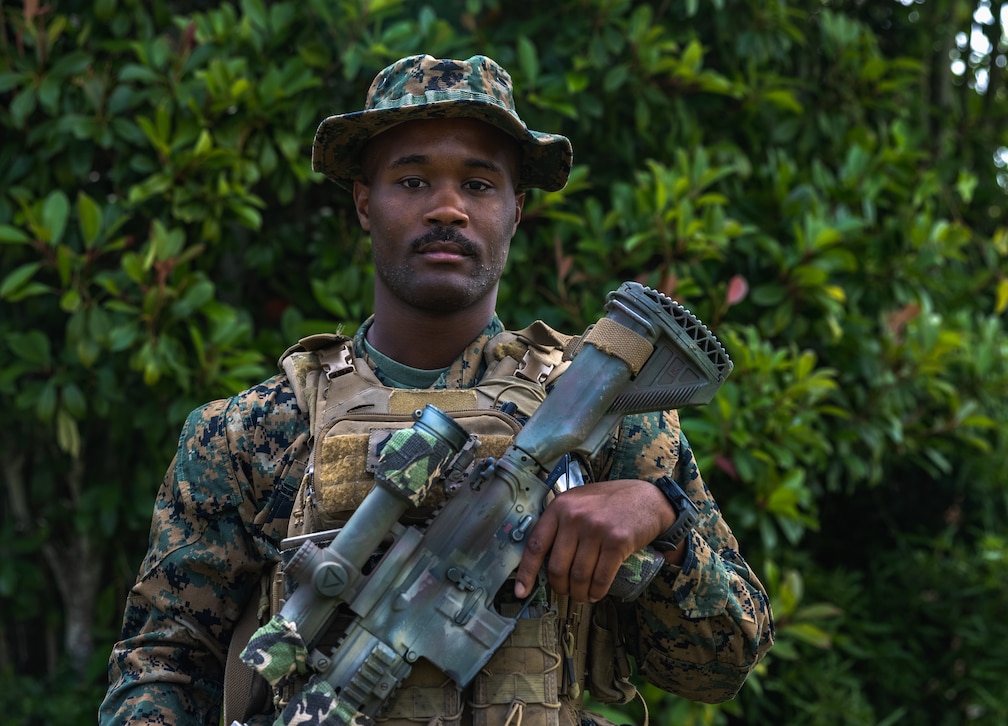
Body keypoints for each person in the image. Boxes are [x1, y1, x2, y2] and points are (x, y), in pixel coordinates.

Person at [100, 54, 774, 726]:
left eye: (479, 185)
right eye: (413, 179)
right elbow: (162, 665)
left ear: (516, 211)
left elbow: (724, 664)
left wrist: (660, 521)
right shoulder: (250, 432)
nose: (448, 208)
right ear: (366, 203)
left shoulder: (610, 418)